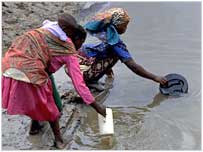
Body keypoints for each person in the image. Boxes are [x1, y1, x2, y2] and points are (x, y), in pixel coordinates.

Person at [2, 13, 106, 149]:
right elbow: (79, 83)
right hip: (29, 72)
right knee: (51, 108)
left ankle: (34, 126)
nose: (79, 48)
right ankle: (59, 141)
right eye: (80, 43)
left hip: (9, 64)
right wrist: (96, 106)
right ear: (75, 38)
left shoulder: (49, 32)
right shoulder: (68, 51)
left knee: (39, 96)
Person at [78, 8, 167, 90]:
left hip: (75, 64)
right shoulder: (116, 44)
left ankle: (90, 77)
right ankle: (90, 81)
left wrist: (106, 69)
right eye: (124, 25)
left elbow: (100, 51)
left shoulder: (103, 33)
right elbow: (133, 66)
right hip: (81, 71)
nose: (126, 28)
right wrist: (155, 77)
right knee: (117, 55)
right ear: (116, 26)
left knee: (112, 54)